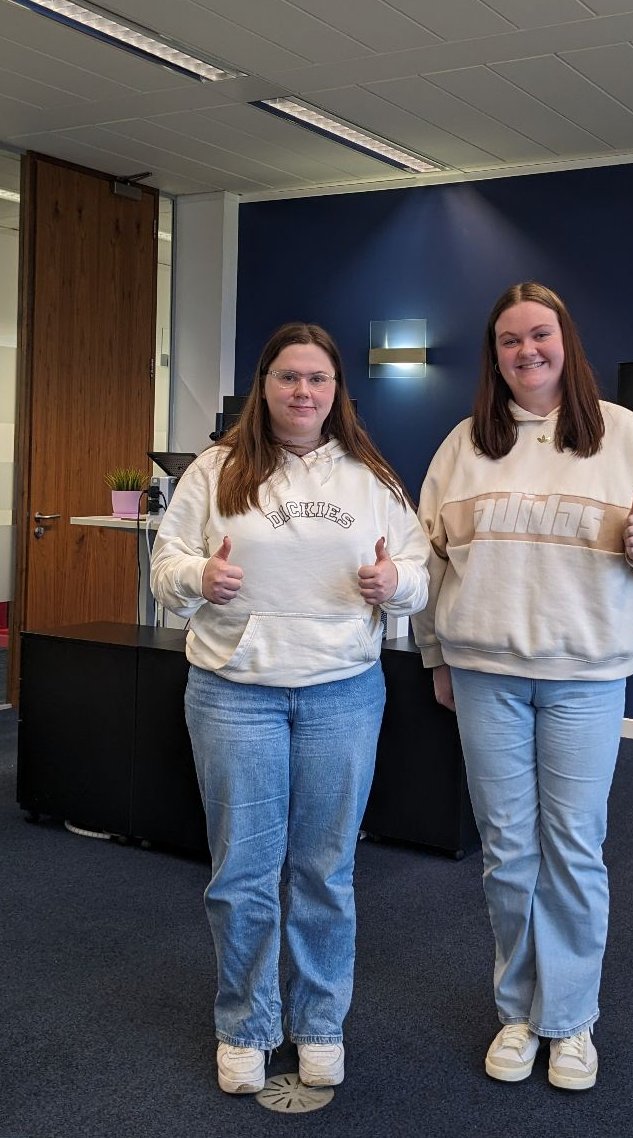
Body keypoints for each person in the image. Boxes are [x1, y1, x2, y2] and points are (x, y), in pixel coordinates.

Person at [412, 282, 633, 1091]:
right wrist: (436, 658)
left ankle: (570, 1021)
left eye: (540, 335)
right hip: (483, 676)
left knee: (573, 849)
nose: (526, 351)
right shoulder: (465, 443)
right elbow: (428, 560)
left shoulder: (623, 435)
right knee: (507, 854)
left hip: (584, 678)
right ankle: (517, 1011)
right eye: (509, 340)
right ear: (494, 355)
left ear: (565, 342)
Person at [150, 321, 429, 1094]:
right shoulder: (216, 470)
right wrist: (199, 578)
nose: (302, 392)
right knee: (241, 873)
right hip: (234, 694)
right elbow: (163, 563)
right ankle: (245, 1024)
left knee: (325, 872)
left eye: (317, 380)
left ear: (337, 392)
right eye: (287, 378)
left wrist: (395, 587)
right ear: (263, 387)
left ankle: (317, 1024)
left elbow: (419, 568)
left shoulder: (371, 476)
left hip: (342, 692)